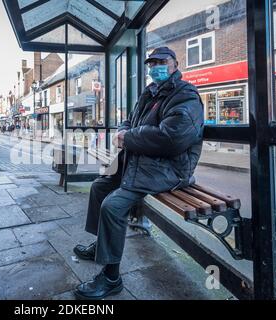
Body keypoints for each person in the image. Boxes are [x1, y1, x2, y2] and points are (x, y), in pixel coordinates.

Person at [72, 47, 205, 300]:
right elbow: (129, 122)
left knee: (113, 206)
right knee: (99, 187)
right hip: (144, 162)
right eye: (151, 63)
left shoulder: (185, 94)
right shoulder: (150, 92)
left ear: (175, 64)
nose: (156, 66)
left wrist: (128, 137)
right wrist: (125, 133)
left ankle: (111, 278)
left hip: (170, 169)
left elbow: (172, 138)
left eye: (161, 61)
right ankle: (102, 245)